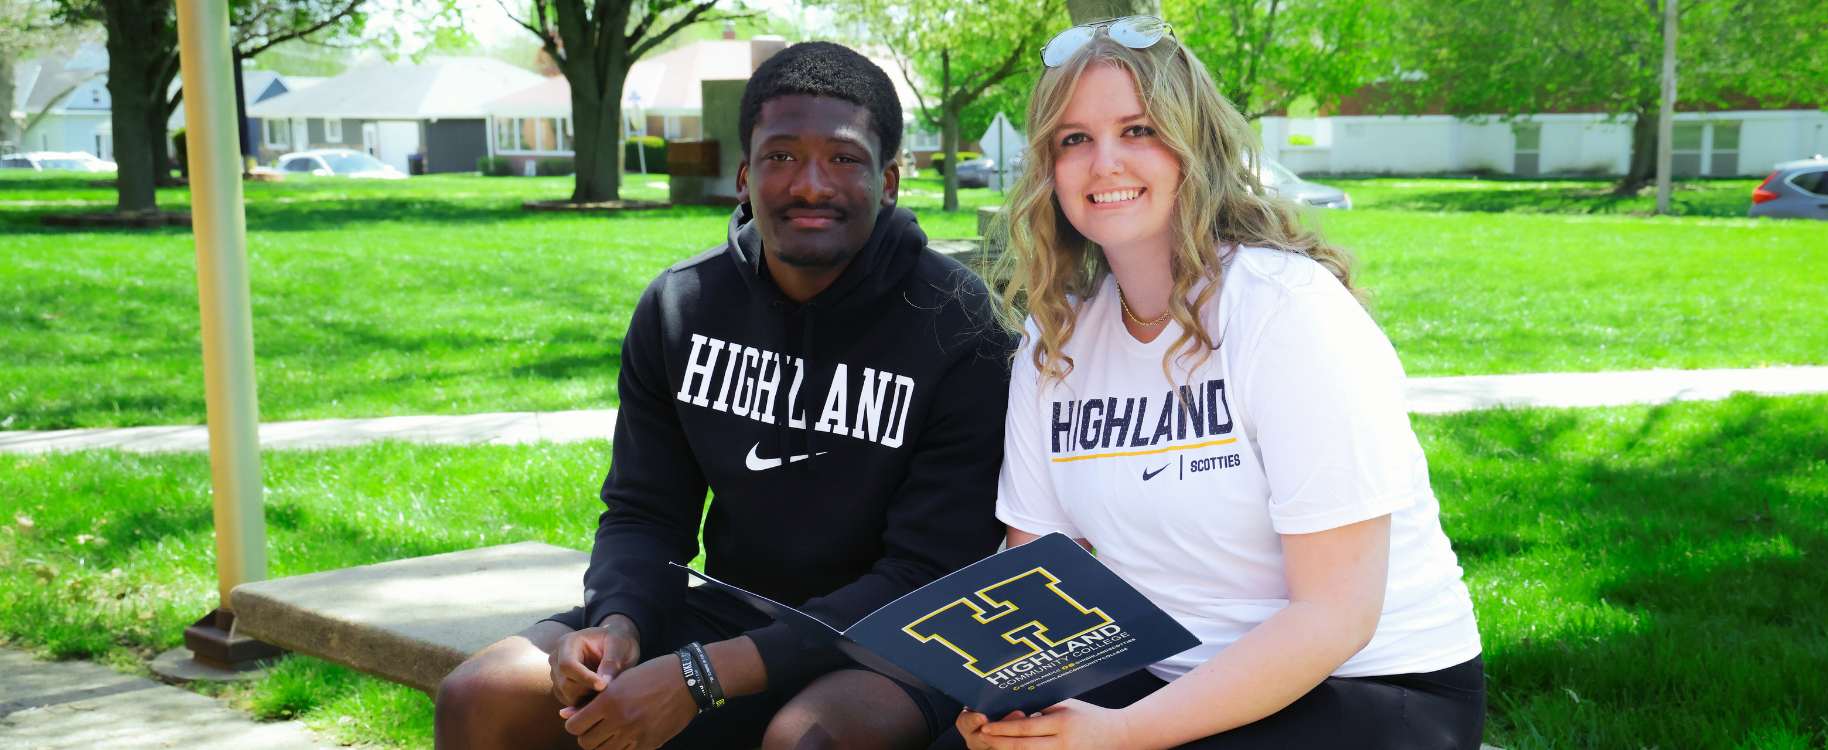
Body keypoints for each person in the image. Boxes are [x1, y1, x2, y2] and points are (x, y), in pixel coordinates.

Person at [435, 41, 1015, 750]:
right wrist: (619, 624)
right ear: (744, 176)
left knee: (808, 738)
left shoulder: (958, 324)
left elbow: (925, 573)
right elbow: (646, 512)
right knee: (483, 695)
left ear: (889, 181)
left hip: (894, 643)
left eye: (843, 158)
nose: (810, 184)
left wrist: (704, 676)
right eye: (780, 156)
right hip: (736, 612)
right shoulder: (682, 305)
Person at [960, 18, 1485, 750]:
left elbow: (1337, 615)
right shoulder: (1057, 339)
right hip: (1163, 670)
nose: (1103, 162)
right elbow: (1035, 570)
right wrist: (1006, 697)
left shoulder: (1285, 311)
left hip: (1369, 683)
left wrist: (1124, 734)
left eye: (1137, 130)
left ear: (1193, 147)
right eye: (1072, 139)